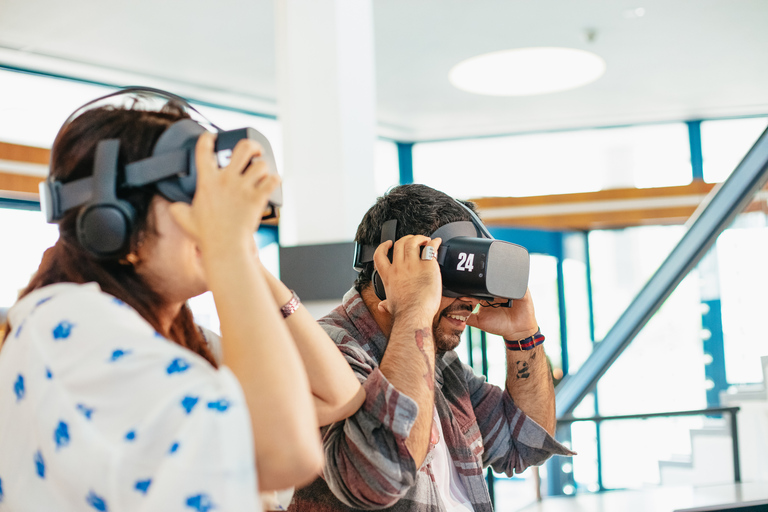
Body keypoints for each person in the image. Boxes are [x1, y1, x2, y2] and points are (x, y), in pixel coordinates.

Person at [0, 93, 364, 511]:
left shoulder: (171, 343)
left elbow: (338, 397)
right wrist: (225, 248)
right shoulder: (66, 329)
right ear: (112, 218)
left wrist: (242, 255)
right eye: (193, 196)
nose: (211, 217)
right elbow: (287, 452)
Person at [289, 184, 574, 512]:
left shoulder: (442, 365)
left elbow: (524, 444)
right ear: (389, 272)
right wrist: (414, 308)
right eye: (449, 278)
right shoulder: (325, 352)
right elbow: (381, 478)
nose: (469, 300)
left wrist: (524, 337)